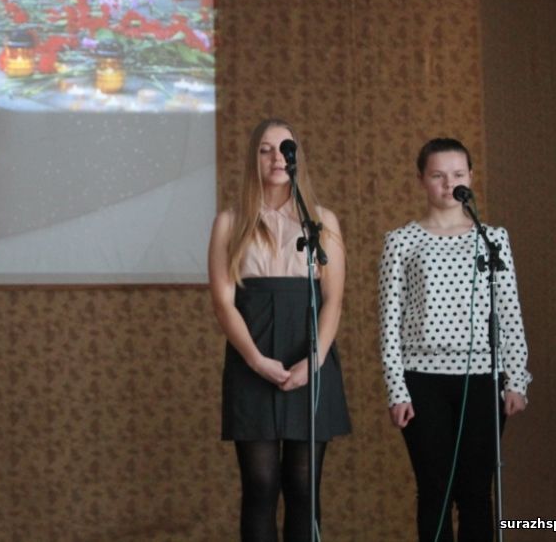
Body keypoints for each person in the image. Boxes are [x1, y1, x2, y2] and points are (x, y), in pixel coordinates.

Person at [378, 137, 531, 542]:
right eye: (438, 176)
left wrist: (516, 379)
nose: (449, 185)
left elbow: (509, 312)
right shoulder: (401, 241)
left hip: (483, 378)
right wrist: (397, 389)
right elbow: (389, 321)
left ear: (470, 178)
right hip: (422, 379)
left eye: (458, 175)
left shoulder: (493, 239)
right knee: (435, 490)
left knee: (476, 492)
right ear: (421, 180)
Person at [209, 118, 351, 542]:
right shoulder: (230, 222)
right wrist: (255, 360)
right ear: (253, 158)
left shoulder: (322, 220)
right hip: (253, 359)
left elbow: (333, 300)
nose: (276, 158)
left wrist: (314, 361)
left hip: (309, 358)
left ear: (297, 157)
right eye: (265, 149)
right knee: (260, 487)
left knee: (304, 488)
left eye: (284, 149)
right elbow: (223, 302)